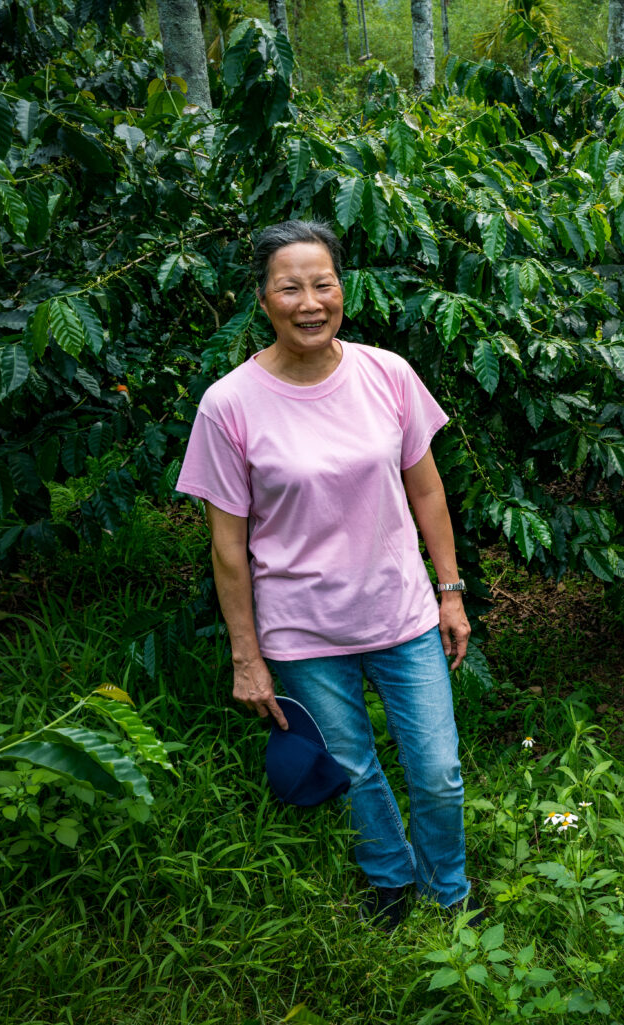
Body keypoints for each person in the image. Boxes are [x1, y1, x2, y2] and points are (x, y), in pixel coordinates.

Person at [176, 220, 477, 929]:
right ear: (262, 299)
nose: (310, 303)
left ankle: (449, 890)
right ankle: (390, 879)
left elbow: (427, 490)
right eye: (290, 288)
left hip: (400, 612)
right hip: (303, 629)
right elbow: (228, 547)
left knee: (438, 770)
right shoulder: (229, 404)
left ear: (343, 289)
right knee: (353, 767)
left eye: (323, 284)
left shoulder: (386, 373)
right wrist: (246, 656)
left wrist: (451, 590)